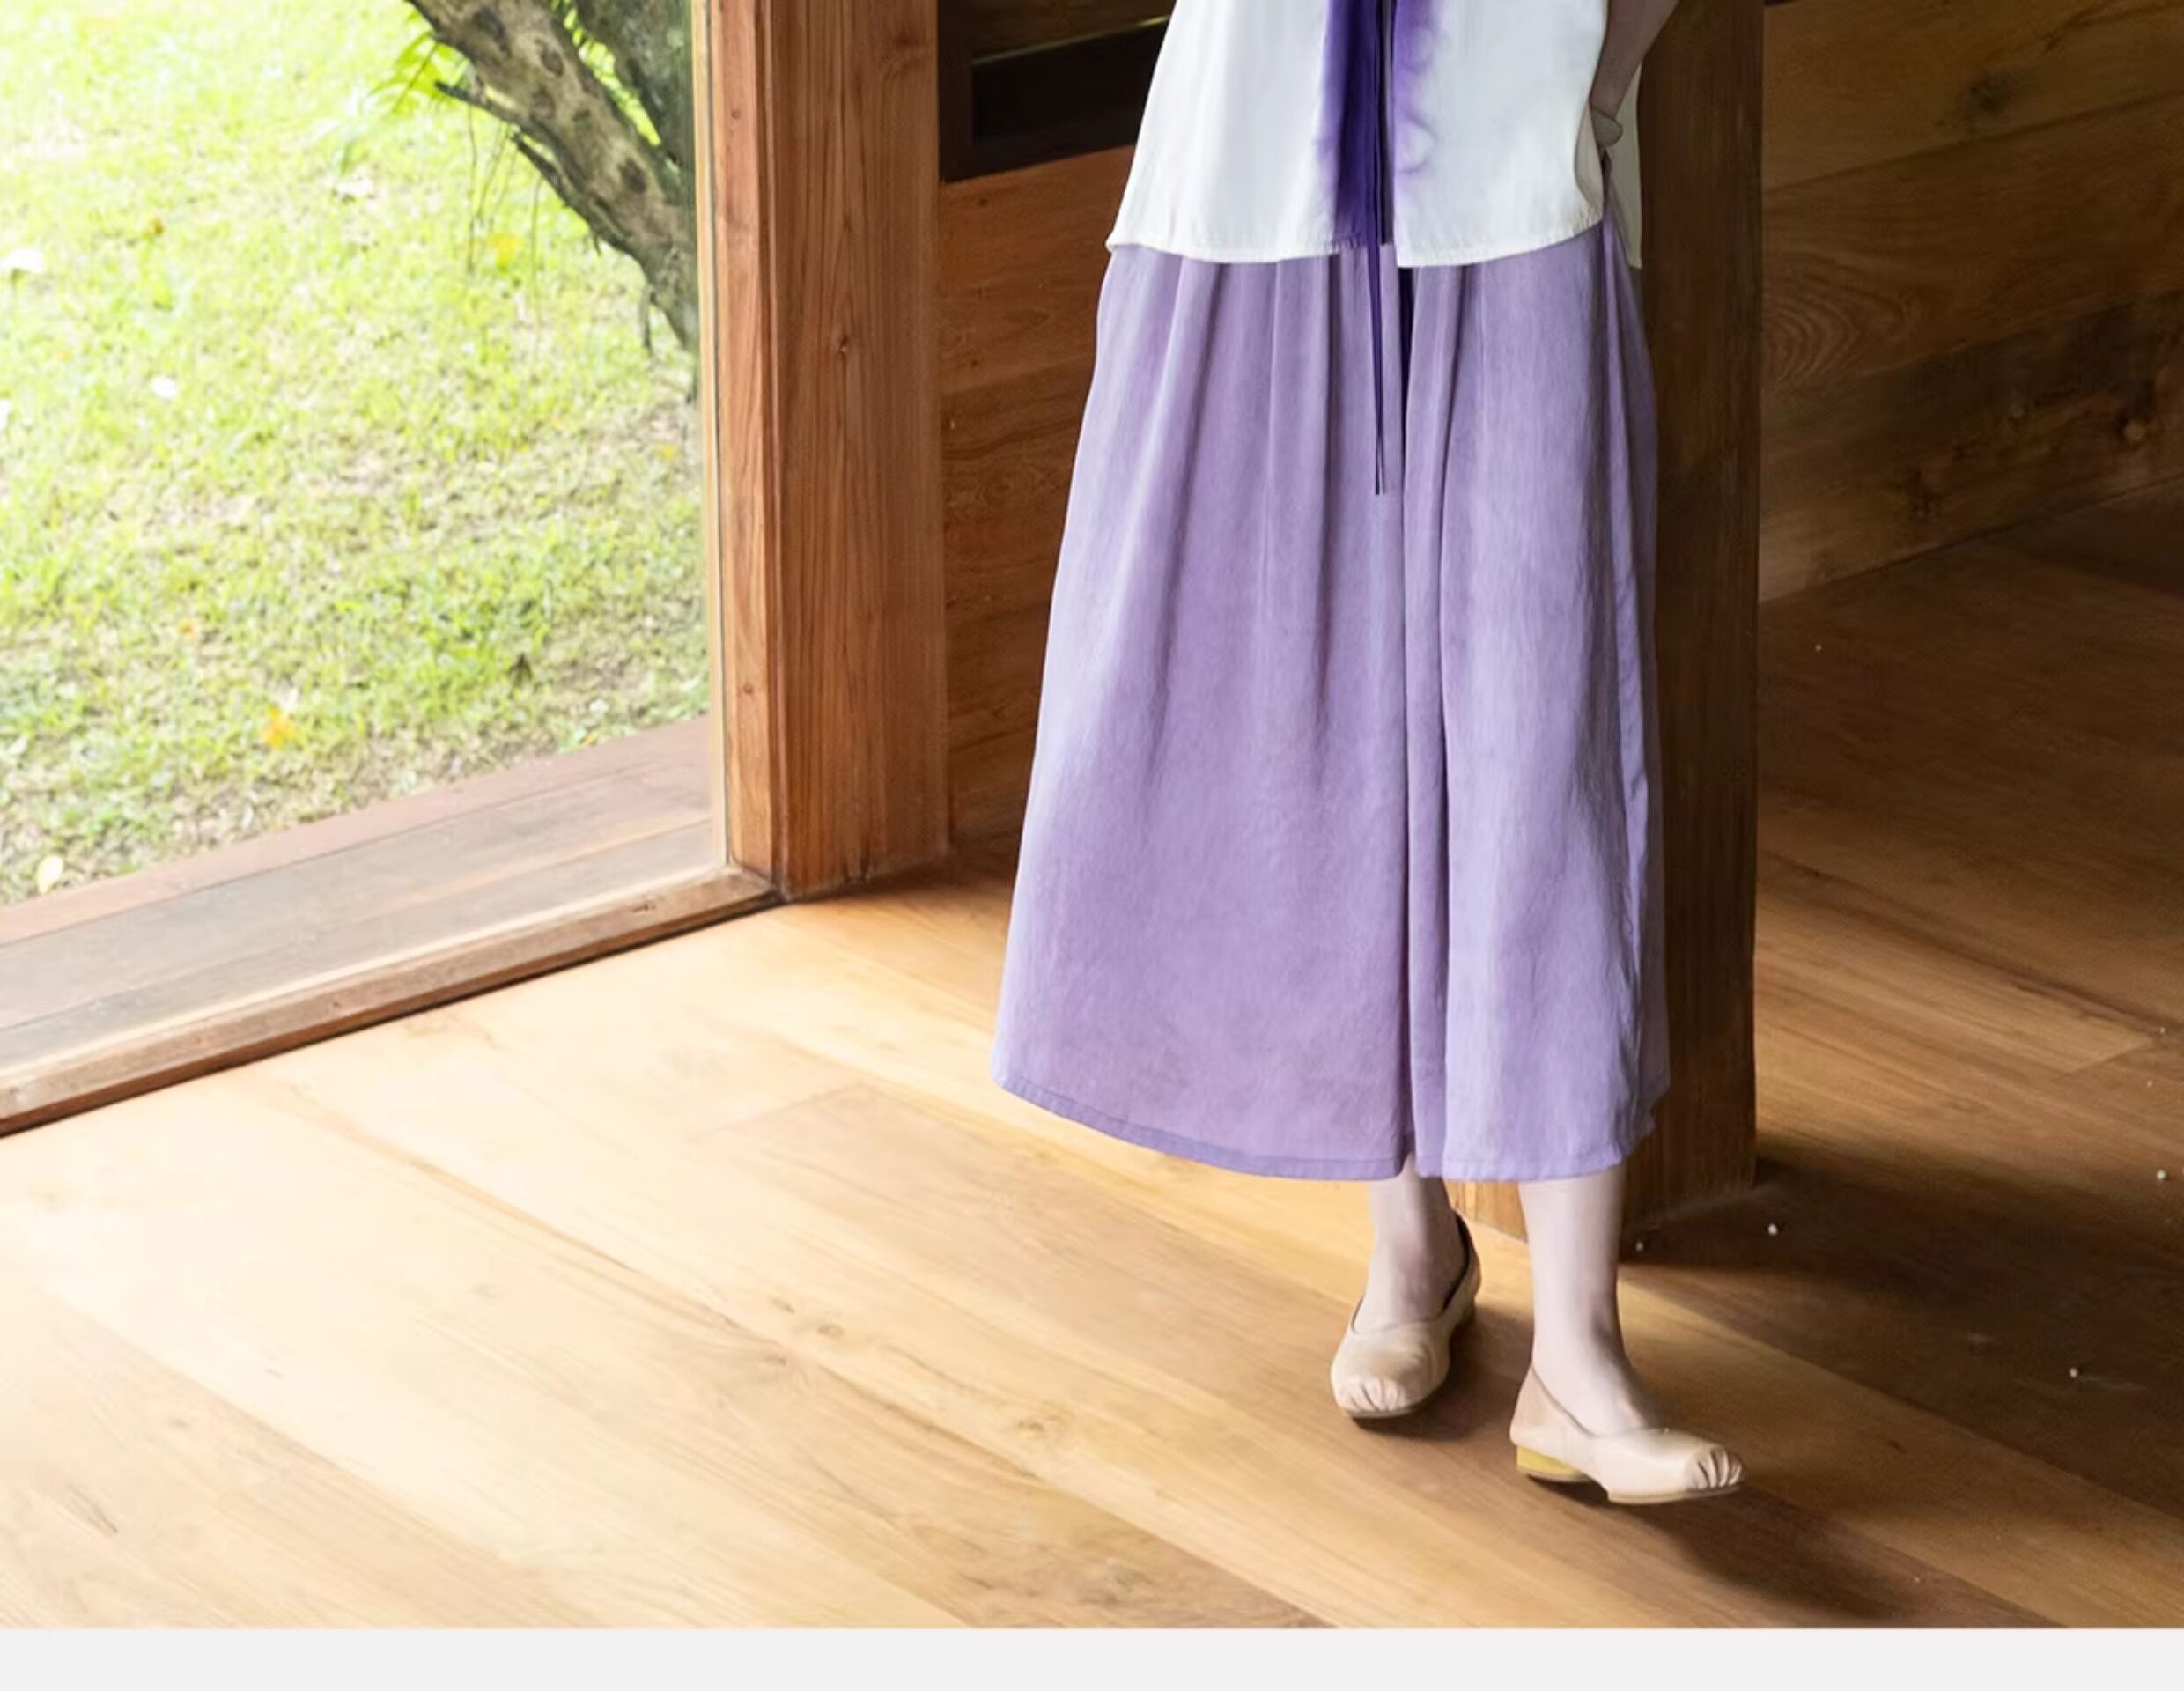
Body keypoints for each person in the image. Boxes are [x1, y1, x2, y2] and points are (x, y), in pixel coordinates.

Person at [991, 0, 1742, 1505]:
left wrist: (1607, 60)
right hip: (1261, 178)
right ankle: (1411, 1243)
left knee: (1546, 741)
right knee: (1328, 720)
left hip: (1520, 165)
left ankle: (1579, 1358)